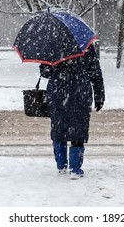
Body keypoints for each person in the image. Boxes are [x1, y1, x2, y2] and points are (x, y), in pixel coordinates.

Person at [39, 44, 105, 179]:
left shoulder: (52, 45)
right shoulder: (85, 45)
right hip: (80, 91)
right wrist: (99, 94)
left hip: (58, 92)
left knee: (59, 128)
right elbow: (95, 71)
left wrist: (53, 65)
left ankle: (61, 164)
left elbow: (45, 72)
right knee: (78, 130)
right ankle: (75, 168)